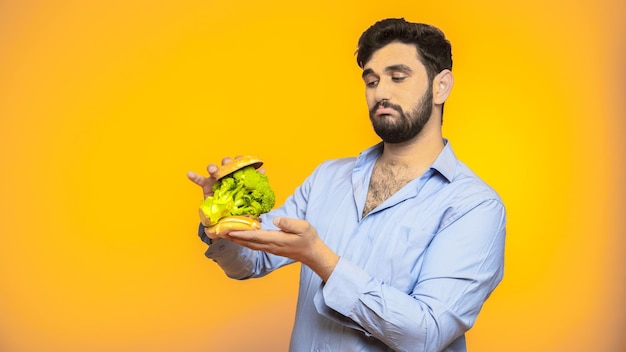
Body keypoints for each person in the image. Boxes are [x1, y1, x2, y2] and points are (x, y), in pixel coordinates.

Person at [187, 18, 506, 352]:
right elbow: (250, 262)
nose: (381, 92)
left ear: (441, 86)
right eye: (371, 81)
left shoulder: (474, 206)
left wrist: (322, 260)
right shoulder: (327, 177)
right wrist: (221, 217)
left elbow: (426, 335)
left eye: (398, 77)